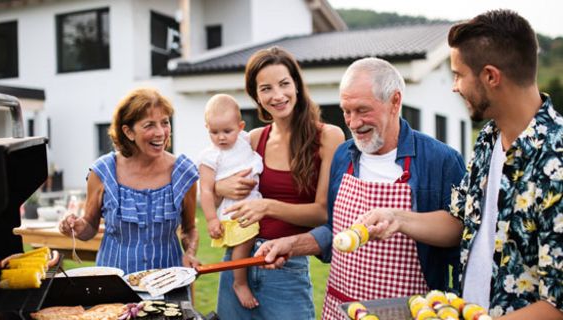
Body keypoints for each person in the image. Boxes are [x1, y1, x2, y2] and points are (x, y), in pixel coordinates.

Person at [354, 10, 563, 319]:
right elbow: (459, 222)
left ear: (491, 76)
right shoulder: (488, 140)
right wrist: (397, 218)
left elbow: (557, 304)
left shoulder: (556, 158)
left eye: (458, 74)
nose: (454, 86)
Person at [255, 57, 466, 319]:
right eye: (346, 111)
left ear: (395, 101)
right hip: (344, 308)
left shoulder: (440, 160)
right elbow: (336, 230)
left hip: (409, 311)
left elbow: (460, 232)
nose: (353, 123)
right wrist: (293, 244)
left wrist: (398, 219)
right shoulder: (343, 155)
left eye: (363, 110)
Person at [214, 46, 345, 319]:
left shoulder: (328, 137)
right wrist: (218, 188)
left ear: (296, 85)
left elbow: (322, 212)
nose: (277, 95)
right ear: (257, 97)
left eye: (284, 84)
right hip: (238, 260)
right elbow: (219, 192)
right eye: (266, 89)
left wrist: (268, 207)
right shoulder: (252, 139)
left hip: (285, 266)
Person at [58, 88, 199, 274]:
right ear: (128, 132)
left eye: (164, 123)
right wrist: (76, 227)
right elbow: (90, 227)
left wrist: (189, 252)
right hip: (114, 284)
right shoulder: (102, 171)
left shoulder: (183, 173)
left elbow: (189, 229)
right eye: (149, 125)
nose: (160, 133)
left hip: (168, 282)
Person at [198, 93, 263, 309]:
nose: (221, 137)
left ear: (241, 126)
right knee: (243, 242)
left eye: (227, 131)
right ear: (207, 128)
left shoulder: (245, 139)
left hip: (254, 202)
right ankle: (239, 283)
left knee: (250, 241)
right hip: (234, 211)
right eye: (214, 132)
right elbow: (206, 190)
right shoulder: (210, 156)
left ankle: (242, 280)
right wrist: (211, 220)